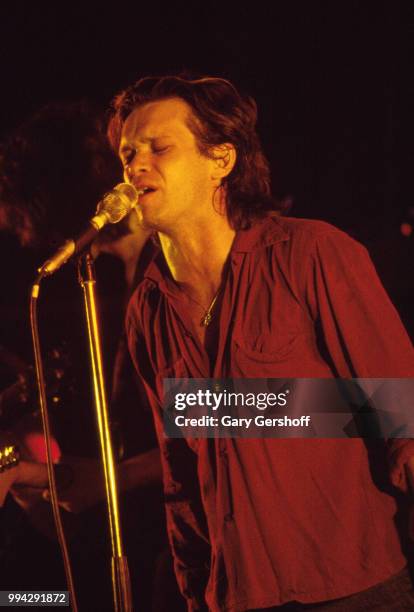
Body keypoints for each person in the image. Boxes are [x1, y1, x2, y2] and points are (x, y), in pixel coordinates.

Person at [106, 74, 414, 611]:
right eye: (128, 153)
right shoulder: (147, 310)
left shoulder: (314, 253)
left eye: (160, 148)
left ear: (220, 160)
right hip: (235, 596)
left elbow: (402, 415)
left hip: (352, 588)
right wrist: (196, 588)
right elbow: (181, 473)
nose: (135, 166)